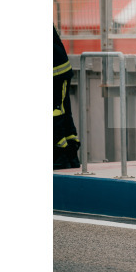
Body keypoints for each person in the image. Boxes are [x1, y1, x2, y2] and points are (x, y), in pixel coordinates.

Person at [53, 25, 81, 170]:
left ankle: (60, 156)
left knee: (56, 112)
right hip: (58, 72)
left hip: (56, 73)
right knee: (62, 112)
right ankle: (70, 156)